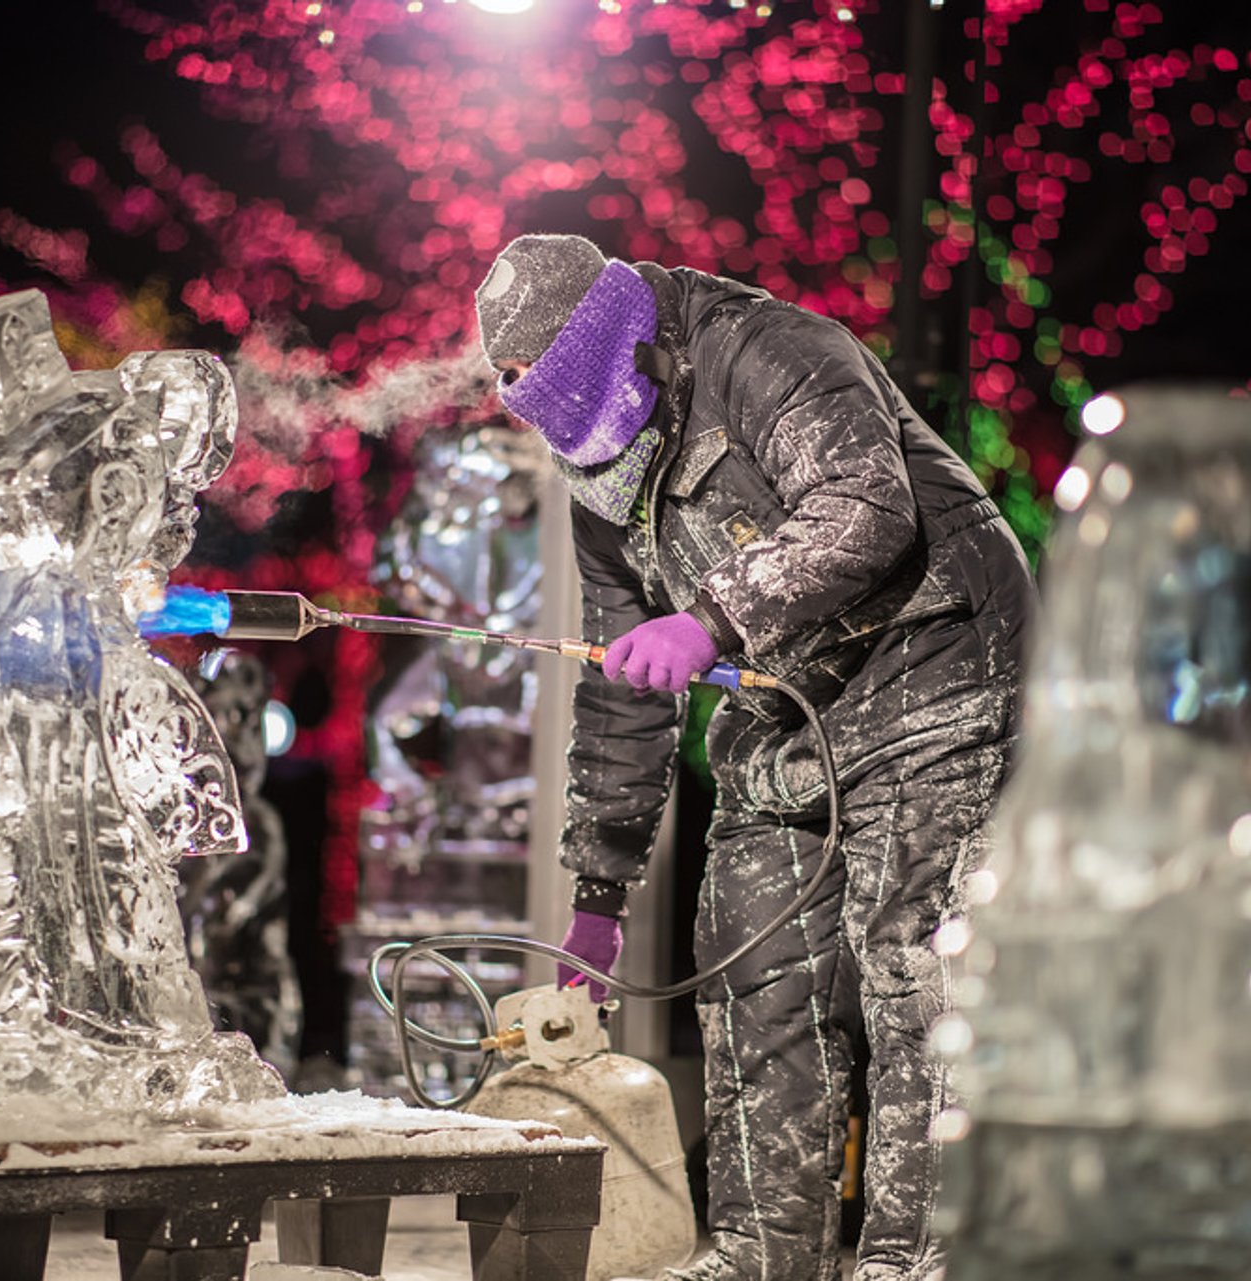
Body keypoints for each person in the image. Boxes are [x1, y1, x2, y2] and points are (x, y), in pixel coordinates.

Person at [475, 233, 1036, 1281]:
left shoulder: (771, 351)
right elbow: (617, 687)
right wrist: (598, 894)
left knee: (915, 973)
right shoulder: (599, 483)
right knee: (754, 975)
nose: (602, 468)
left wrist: (711, 620)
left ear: (630, 352)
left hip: (938, 678)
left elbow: (867, 505)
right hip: (787, 725)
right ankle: (757, 1256)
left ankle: (918, 1264)